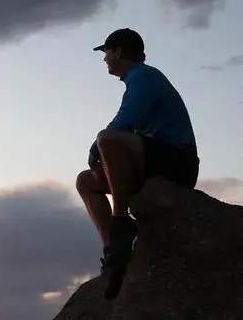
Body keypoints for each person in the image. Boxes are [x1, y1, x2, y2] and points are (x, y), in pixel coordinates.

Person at [75, 27, 199, 299]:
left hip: (177, 161)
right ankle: (114, 254)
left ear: (118, 51)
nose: (105, 58)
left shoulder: (144, 77)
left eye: (106, 52)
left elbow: (124, 122)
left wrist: (96, 147)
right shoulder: (136, 80)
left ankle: (121, 222)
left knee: (107, 139)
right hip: (152, 159)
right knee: (85, 181)